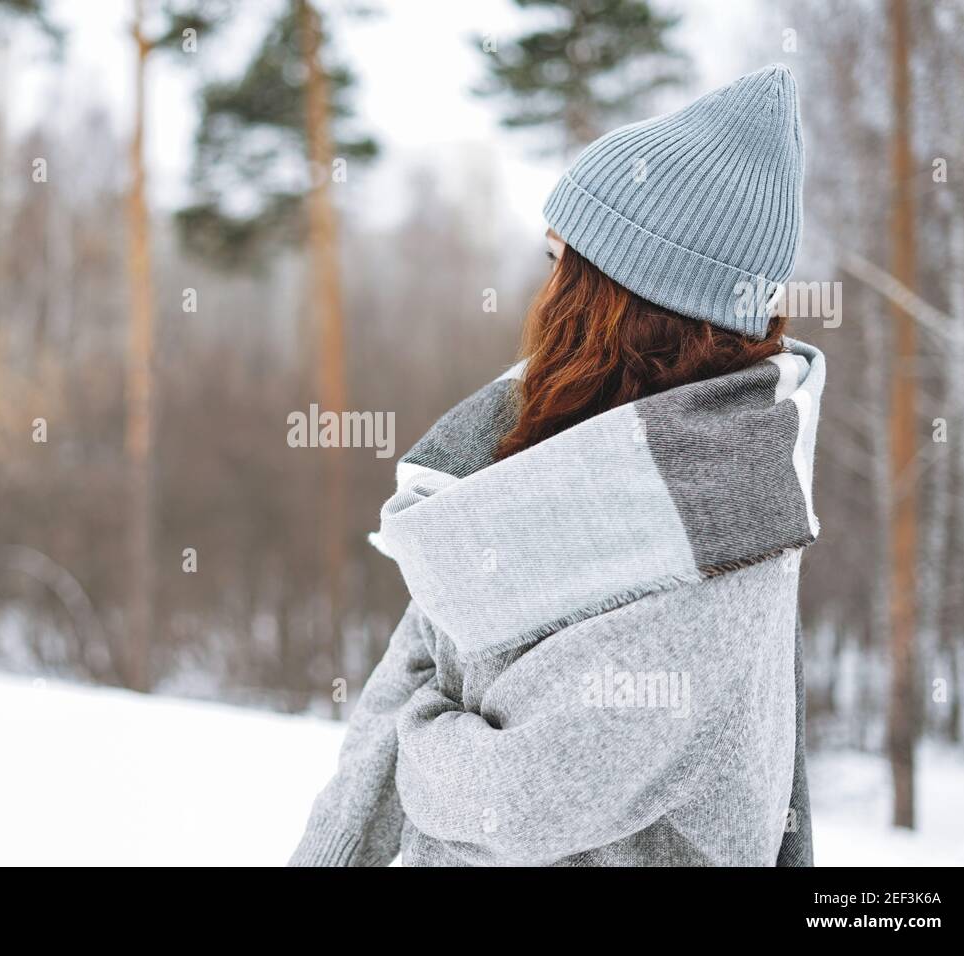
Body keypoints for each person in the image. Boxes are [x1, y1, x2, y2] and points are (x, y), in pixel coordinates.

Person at [289, 64, 823, 867]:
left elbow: (525, 797)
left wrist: (422, 732)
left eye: (557, 262)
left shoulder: (722, 512)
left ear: (613, 296)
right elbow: (409, 672)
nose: (544, 295)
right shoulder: (521, 459)